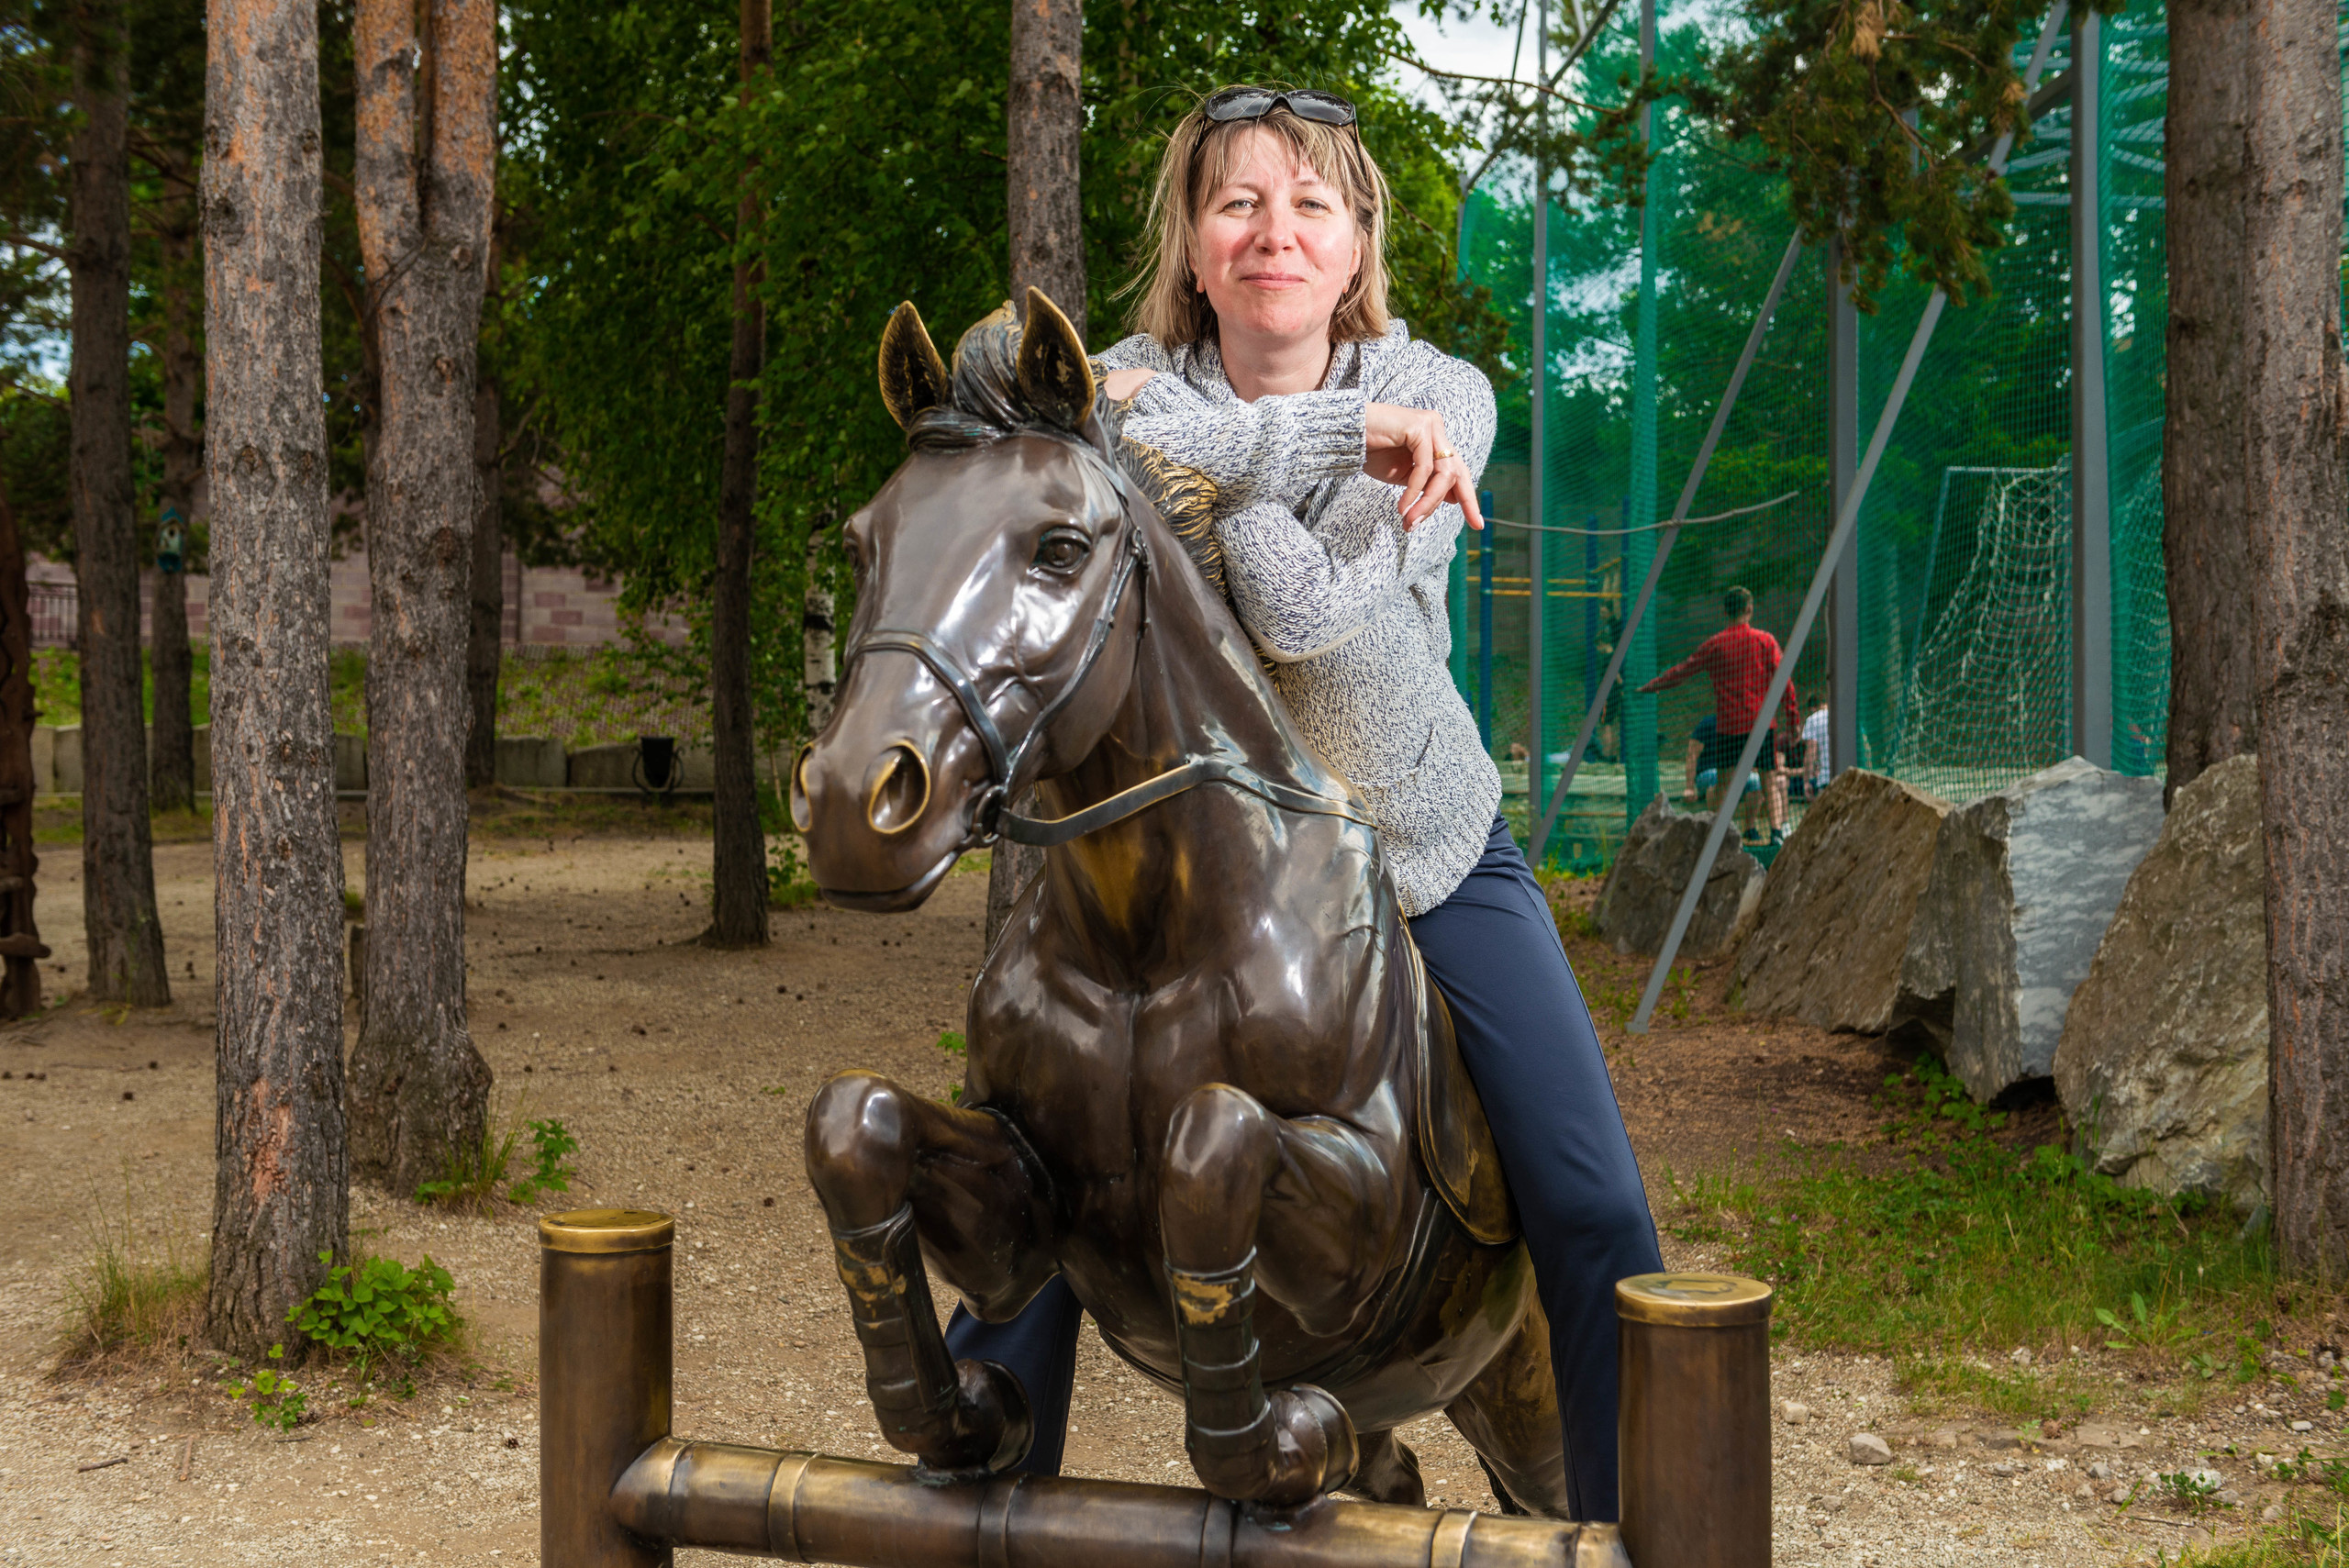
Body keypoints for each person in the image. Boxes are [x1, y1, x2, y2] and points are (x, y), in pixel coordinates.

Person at [943, 84, 1663, 1522]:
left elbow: (1318, 631)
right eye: (1238, 204)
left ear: (1355, 244)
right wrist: (1331, 438)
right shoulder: (1134, 377)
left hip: (1413, 834)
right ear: (1195, 251)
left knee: (1597, 1207)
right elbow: (977, 373)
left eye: (1309, 205)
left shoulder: (1444, 392)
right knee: (1038, 1170)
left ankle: (1639, 1519)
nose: (1275, 232)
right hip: (1187, 879)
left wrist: (1183, 454)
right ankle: (980, 1500)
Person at [1638, 585, 1797, 846]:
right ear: (1749, 608)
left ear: (1725, 611)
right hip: (1761, 722)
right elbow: (1784, 681)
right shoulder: (1765, 640)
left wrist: (1653, 685)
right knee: (1769, 775)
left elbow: (1683, 670)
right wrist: (1793, 720)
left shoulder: (1716, 644)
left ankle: (1719, 833)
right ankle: (1776, 832)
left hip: (1730, 724)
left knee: (1725, 780)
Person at [1797, 693, 1831, 801]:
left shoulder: (1813, 720)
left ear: (1812, 708)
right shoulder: (1841, 716)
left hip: (1826, 779)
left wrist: (1806, 781)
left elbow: (1811, 752)